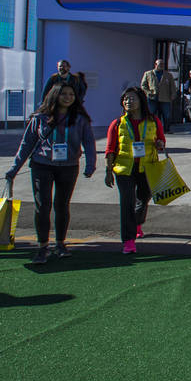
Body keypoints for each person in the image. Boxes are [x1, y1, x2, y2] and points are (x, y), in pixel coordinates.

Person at [5, 83, 96, 264]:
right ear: (55, 95)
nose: (68, 97)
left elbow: (89, 142)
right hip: (42, 165)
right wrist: (14, 169)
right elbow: (26, 145)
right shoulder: (40, 118)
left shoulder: (79, 118)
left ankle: (60, 244)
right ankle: (42, 247)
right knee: (42, 206)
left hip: (69, 166)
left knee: (62, 205)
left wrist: (91, 164)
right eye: (64, 94)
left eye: (71, 94)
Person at [103, 87, 165, 255]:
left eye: (132, 99)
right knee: (127, 203)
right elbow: (110, 149)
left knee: (143, 198)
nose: (128, 102)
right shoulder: (117, 124)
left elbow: (161, 140)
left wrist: (159, 144)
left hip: (148, 166)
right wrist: (109, 171)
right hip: (124, 169)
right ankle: (128, 241)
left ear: (141, 101)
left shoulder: (153, 120)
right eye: (125, 99)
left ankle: (136, 222)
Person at [141, 59, 177, 130]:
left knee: (167, 115)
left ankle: (166, 129)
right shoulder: (148, 74)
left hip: (165, 98)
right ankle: (151, 129)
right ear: (155, 65)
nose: (162, 66)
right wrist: (148, 92)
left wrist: (173, 95)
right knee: (151, 114)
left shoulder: (168, 75)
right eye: (160, 64)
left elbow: (172, 86)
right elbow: (143, 85)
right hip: (152, 98)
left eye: (163, 64)